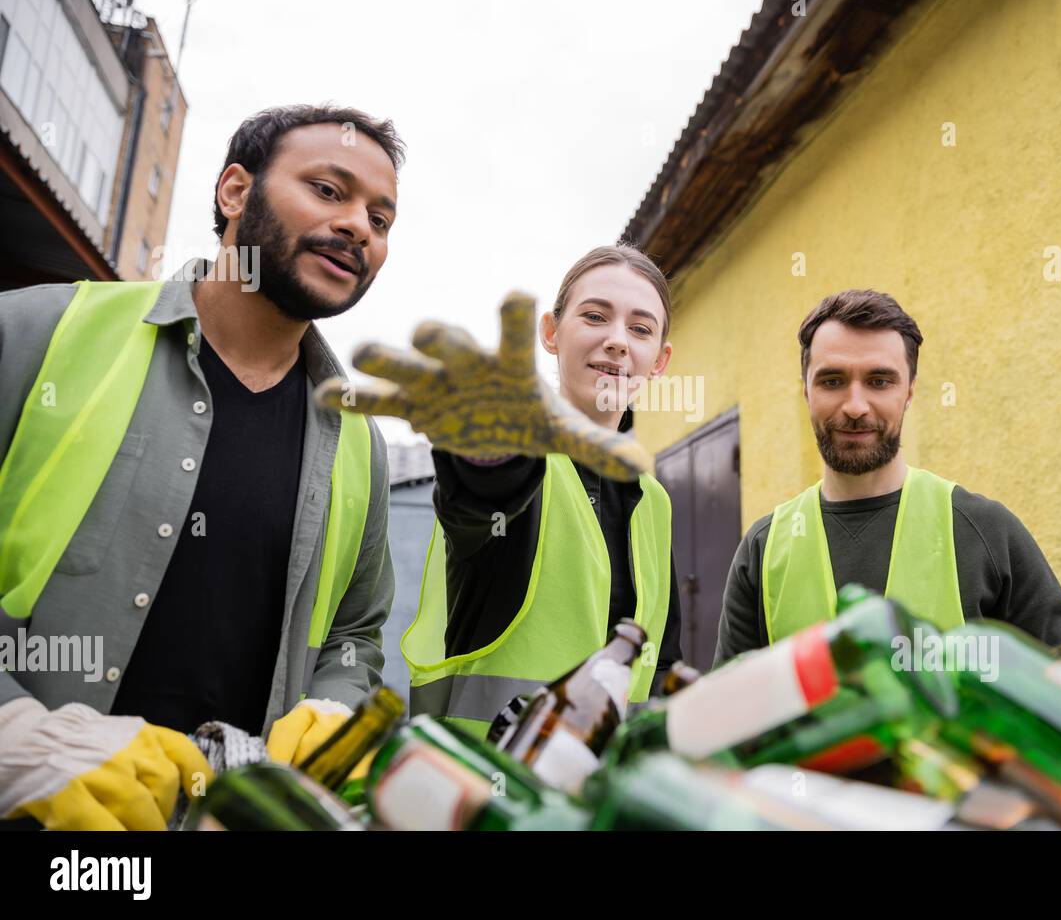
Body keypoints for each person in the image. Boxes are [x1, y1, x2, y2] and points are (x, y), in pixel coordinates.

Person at [0, 104, 401, 829]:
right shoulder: (37, 333)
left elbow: (356, 630)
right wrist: (17, 738)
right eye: (330, 191)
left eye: (382, 220)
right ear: (235, 192)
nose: (358, 229)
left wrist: (334, 703)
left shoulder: (357, 441)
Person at [318, 244, 682, 738]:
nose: (618, 341)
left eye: (640, 329)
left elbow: (660, 665)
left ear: (659, 360)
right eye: (595, 316)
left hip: (598, 803)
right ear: (551, 333)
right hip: (480, 794)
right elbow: (486, 496)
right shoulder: (518, 460)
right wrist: (487, 454)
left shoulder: (655, 504)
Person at [715, 289, 1061, 665]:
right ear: (805, 390)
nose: (855, 407)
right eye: (832, 381)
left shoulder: (987, 533)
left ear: (909, 391)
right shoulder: (763, 549)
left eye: (879, 381)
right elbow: (732, 711)